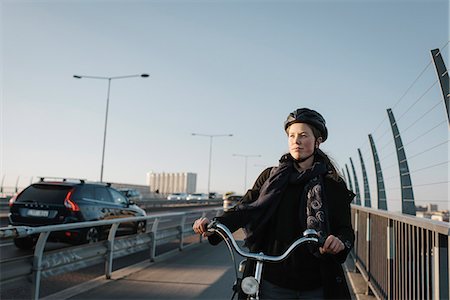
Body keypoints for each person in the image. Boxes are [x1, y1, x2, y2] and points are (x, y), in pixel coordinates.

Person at [193, 108, 355, 299]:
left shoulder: (332, 184)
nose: (296, 141)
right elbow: (244, 210)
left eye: (303, 135)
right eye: (292, 135)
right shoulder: (270, 178)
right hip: (272, 280)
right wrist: (215, 225)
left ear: (317, 142)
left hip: (316, 283)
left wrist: (339, 242)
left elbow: (345, 230)